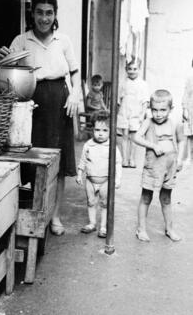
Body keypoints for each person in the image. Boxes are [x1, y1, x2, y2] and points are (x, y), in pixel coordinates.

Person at [0, 0, 80, 236]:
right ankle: (35, 214)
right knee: (32, 158)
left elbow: (74, 72)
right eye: (40, 12)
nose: (44, 18)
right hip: (31, 101)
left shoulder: (63, 41)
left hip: (60, 101)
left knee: (60, 160)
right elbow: (7, 71)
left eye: (49, 13)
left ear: (55, 14)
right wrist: (2, 59)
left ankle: (54, 216)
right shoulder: (21, 40)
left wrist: (75, 94)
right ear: (32, 14)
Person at [133, 89, 185, 242]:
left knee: (166, 198)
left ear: (171, 109)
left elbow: (182, 140)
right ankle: (141, 229)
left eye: (163, 110)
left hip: (169, 167)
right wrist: (152, 145)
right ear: (150, 109)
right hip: (152, 167)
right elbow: (136, 137)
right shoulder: (148, 122)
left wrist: (180, 159)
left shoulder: (175, 123)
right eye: (155, 110)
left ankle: (169, 228)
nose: (158, 114)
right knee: (146, 197)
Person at [76, 112, 122, 238]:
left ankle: (103, 226)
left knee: (105, 204)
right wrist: (80, 174)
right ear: (92, 129)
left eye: (104, 130)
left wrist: (117, 179)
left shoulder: (111, 146)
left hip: (105, 181)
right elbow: (83, 160)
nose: (100, 133)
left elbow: (118, 163)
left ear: (110, 130)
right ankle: (92, 223)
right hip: (90, 180)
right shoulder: (88, 145)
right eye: (97, 130)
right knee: (91, 202)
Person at [117, 57, 149, 168]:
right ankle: (124, 159)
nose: (132, 71)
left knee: (134, 137)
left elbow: (145, 101)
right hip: (125, 111)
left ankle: (132, 159)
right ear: (126, 69)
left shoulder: (143, 84)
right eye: (129, 68)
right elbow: (119, 99)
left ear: (139, 69)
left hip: (136, 112)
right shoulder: (123, 82)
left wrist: (142, 114)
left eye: (135, 69)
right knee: (125, 136)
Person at [181, 59, 193, 164]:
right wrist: (185, 109)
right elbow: (186, 94)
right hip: (191, 108)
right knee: (190, 134)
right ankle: (189, 157)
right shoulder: (190, 78)